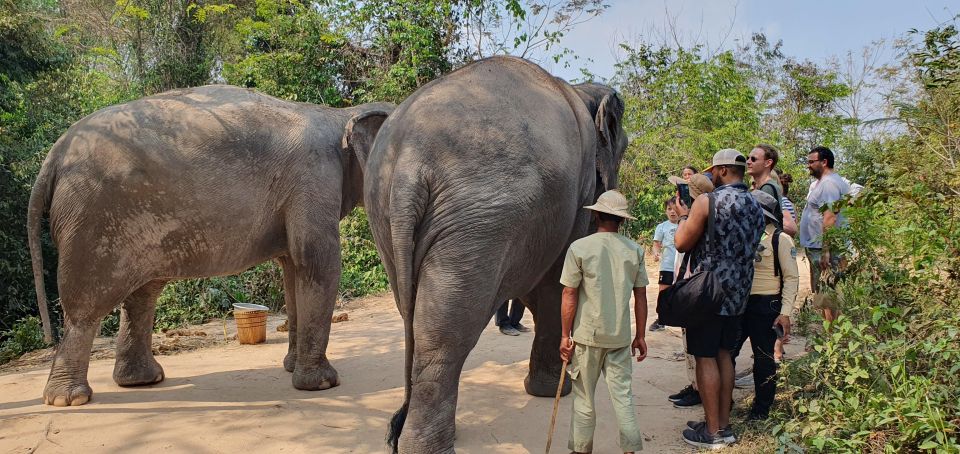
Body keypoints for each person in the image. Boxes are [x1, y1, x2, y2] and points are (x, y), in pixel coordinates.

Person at [672, 149, 764, 449]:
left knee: (705, 356)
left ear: (723, 170)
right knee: (726, 354)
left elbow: (681, 242)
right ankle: (723, 425)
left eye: (713, 170)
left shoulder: (707, 201)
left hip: (708, 291)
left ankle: (712, 433)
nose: (711, 175)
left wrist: (685, 217)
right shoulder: (756, 202)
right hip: (739, 290)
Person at [559, 190, 648, 454]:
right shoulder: (635, 250)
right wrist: (640, 335)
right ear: (622, 220)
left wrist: (565, 335)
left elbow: (569, 293)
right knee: (623, 398)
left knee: (584, 399)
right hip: (619, 337)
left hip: (586, 336)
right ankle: (630, 450)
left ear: (596, 214)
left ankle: (581, 449)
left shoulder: (580, 248)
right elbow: (641, 295)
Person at [730, 190, 800, 420]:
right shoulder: (742, 235)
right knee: (726, 354)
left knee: (763, 359)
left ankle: (761, 410)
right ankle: (724, 404)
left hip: (765, 305)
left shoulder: (780, 239)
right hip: (740, 304)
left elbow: (791, 277)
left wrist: (785, 312)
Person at [799, 146, 850, 323]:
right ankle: (830, 333)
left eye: (811, 162)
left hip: (823, 248)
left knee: (828, 291)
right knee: (824, 290)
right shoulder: (824, 182)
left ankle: (831, 337)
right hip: (817, 247)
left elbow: (830, 218)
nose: (808, 166)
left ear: (824, 162)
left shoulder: (829, 184)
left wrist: (825, 250)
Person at [747, 144, 798, 236]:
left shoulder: (767, 188)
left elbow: (755, 222)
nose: (748, 162)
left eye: (753, 159)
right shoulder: (767, 186)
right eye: (748, 158)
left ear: (768, 163)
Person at [648, 198, 680, 332]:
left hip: (682, 265)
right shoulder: (662, 227)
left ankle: (681, 319)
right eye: (669, 209)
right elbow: (656, 244)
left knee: (683, 292)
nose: (672, 212)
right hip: (667, 264)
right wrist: (656, 254)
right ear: (665, 211)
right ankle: (661, 319)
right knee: (663, 292)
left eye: (674, 209)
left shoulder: (687, 224)